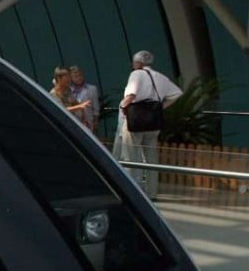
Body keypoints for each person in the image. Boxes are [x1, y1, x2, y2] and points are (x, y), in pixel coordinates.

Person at [112, 51, 183, 199]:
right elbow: (177, 93)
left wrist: (122, 107)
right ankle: (152, 193)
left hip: (136, 120)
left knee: (130, 157)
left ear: (138, 63)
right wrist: (162, 107)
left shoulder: (136, 74)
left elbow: (131, 95)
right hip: (153, 121)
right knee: (151, 159)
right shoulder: (161, 77)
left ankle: (131, 191)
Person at [69, 65, 100, 132]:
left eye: (80, 75)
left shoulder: (92, 89)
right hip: (73, 122)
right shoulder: (68, 90)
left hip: (88, 124)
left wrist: (96, 123)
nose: (79, 78)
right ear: (71, 78)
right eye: (76, 76)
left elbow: (96, 108)